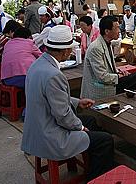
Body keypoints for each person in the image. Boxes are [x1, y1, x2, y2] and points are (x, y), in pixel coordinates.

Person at [22, 25, 114, 181]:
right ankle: (94, 178)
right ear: (64, 51)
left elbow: (48, 98)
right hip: (50, 134)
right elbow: (63, 116)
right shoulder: (53, 74)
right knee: (105, 140)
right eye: (70, 49)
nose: (71, 51)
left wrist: (77, 102)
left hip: (36, 127)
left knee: (91, 120)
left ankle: (91, 157)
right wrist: (80, 127)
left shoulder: (37, 65)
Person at [81, 16, 136, 99]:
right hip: (101, 87)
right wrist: (119, 76)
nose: (119, 31)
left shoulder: (107, 43)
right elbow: (102, 77)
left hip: (109, 80)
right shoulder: (96, 48)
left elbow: (109, 68)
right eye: (117, 28)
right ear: (107, 31)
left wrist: (119, 72)